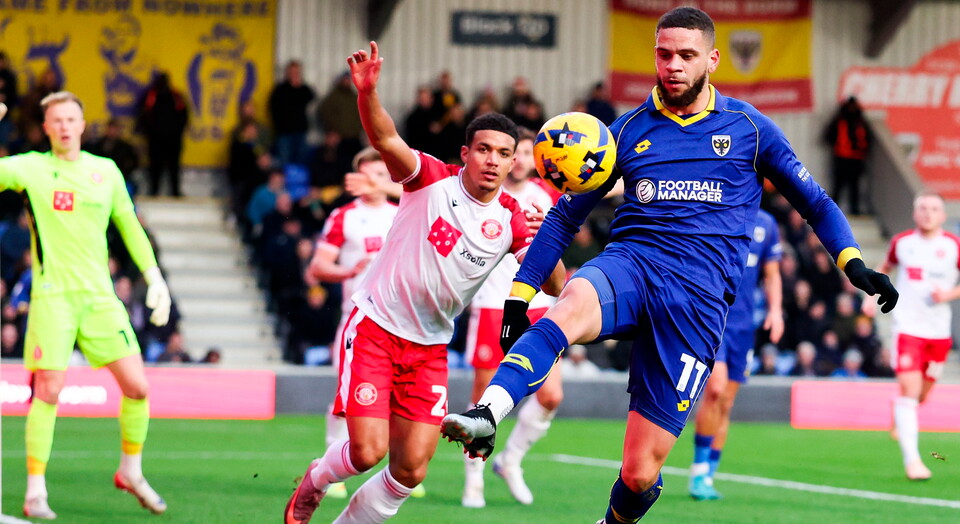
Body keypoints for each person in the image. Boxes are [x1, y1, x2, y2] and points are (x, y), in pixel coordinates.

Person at [439, 8, 898, 523]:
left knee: (638, 474)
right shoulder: (625, 131)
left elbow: (816, 203)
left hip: (697, 303)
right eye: (663, 54)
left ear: (712, 59)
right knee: (569, 304)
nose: (673, 65)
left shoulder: (749, 129)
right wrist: (521, 294)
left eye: (686, 55)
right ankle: (488, 413)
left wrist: (854, 264)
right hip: (632, 267)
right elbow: (564, 219)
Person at [282, 41, 565, 524]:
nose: (494, 160)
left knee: (410, 471)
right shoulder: (429, 178)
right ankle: (314, 482)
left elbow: (555, 287)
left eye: (504, 152)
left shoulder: (515, 217)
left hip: (430, 347)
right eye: (484, 150)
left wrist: (548, 240)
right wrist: (367, 94)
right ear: (466, 154)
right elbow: (387, 138)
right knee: (367, 450)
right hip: (375, 329)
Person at [0, 93, 172, 519]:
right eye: (55, 120)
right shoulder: (31, 167)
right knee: (49, 391)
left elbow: (130, 224)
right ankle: (35, 491)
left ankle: (131, 470)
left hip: (101, 298)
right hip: (52, 297)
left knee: (138, 387)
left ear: (82, 124)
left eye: (70, 118)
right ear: (45, 128)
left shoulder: (105, 171)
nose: (63, 125)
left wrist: (154, 278)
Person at [460, 127, 561, 509]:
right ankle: (474, 479)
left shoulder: (545, 193)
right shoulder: (485, 196)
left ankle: (510, 460)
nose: (517, 159)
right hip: (493, 305)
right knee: (483, 398)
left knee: (551, 396)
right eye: (511, 152)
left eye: (523, 152)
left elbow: (595, 190)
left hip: (539, 307)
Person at [304, 146, 400, 500]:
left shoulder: (404, 212)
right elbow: (317, 267)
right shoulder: (344, 216)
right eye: (368, 174)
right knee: (346, 395)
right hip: (358, 319)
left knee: (399, 400)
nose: (374, 181)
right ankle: (331, 464)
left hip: (401, 320)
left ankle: (397, 472)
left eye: (381, 174)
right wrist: (349, 270)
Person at [863, 190, 959, 480]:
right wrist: (871, 294)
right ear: (915, 214)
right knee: (909, 392)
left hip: (938, 332)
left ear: (943, 215)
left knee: (923, 393)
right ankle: (913, 461)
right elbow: (886, 267)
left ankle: (901, 411)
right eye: (923, 208)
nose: (928, 213)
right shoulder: (902, 243)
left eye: (933, 209)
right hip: (907, 328)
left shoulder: (953, 246)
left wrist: (950, 294)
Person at [688, 209, 783, 500]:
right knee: (714, 391)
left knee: (726, 403)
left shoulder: (767, 223)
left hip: (744, 325)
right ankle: (698, 470)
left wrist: (776, 311)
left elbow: (772, 273)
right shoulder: (713, 210)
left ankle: (707, 474)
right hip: (711, 318)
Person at [136, 72, 189, 197]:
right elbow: (144, 115)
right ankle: (154, 191)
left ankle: (175, 191)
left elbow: (184, 116)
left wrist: (177, 132)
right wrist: (151, 132)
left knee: (174, 167)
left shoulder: (176, 96)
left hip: (174, 139)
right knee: (155, 167)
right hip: (155, 139)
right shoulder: (151, 96)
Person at [824, 96, 871, 215]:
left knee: (854, 188)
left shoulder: (861, 122)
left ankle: (854, 210)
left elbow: (868, 140)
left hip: (856, 161)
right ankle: (832, 211)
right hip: (841, 160)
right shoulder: (839, 121)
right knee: (838, 186)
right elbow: (828, 136)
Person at [269, 60, 316, 167]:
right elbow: (272, 109)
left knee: (302, 162)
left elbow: (312, 96)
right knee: (284, 162)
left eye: (296, 72)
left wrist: (299, 85)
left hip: (300, 131)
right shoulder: (280, 89)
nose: (294, 74)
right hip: (284, 132)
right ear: (287, 73)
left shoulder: (303, 88)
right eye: (292, 72)